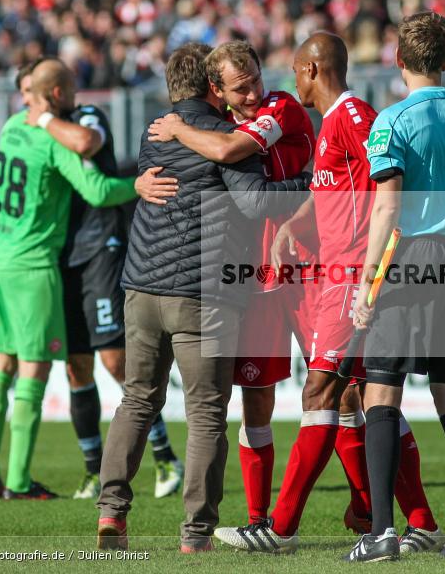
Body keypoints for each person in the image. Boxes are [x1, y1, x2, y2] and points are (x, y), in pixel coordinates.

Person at [211, 32, 442, 555]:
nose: (291, 83)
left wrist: (371, 267)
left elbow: (390, 185)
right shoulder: (333, 124)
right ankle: (421, 522)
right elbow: (329, 191)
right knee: (360, 398)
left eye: (295, 72)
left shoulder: (354, 117)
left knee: (323, 394)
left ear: (313, 70)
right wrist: (296, 222)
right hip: (339, 275)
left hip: (350, 278)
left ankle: (281, 528)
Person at [144, 41, 375, 531]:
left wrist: (180, 128)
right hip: (257, 274)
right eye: (240, 87)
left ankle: (367, 503)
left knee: (342, 390)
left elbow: (229, 152)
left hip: (311, 267)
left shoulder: (281, 109)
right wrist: (141, 181)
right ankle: (257, 519)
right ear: (218, 91)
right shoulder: (223, 126)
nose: (253, 92)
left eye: (254, 79)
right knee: (256, 395)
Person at [95, 43, 311, 553]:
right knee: (207, 411)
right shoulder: (223, 135)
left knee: (137, 399)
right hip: (202, 290)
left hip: (142, 286)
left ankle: (111, 513)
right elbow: (256, 202)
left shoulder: (156, 132)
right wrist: (315, 181)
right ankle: (195, 534)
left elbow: (150, 181)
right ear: (214, 88)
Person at [346, 11, 445, 562]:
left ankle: (383, 533)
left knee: (382, 392)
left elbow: (387, 205)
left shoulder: (390, 120)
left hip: (408, 254)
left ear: (399, 60)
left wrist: (367, 282)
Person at [0, 58, 139, 501]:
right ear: (61, 95)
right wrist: (137, 185)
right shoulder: (52, 141)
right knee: (35, 366)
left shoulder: (10, 128)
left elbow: (10, 189)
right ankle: (19, 483)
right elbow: (99, 191)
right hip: (30, 263)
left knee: (2, 360)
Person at [24, 59, 182, 500]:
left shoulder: (85, 116)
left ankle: (165, 457)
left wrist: (47, 120)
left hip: (100, 248)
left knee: (116, 360)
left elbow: (89, 143)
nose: (27, 105)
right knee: (76, 366)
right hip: (61, 254)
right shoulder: (36, 128)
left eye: (32, 96)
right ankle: (93, 469)